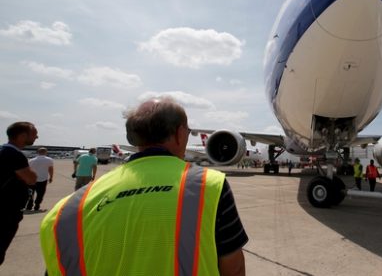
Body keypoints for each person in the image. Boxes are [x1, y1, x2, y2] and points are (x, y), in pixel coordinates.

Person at [40, 97, 248, 275]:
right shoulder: (209, 187)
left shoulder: (62, 212)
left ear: (132, 137)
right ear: (180, 133)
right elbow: (234, 269)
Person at [0, 122, 37, 265]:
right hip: (5, 212)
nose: (37, 137)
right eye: (34, 134)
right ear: (22, 136)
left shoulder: (3, 151)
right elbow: (31, 178)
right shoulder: (14, 155)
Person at [24, 147, 54, 212]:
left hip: (32, 179)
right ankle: (37, 206)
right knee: (40, 194)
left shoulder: (31, 160)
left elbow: (28, 170)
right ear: (46, 152)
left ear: (38, 152)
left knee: (31, 193)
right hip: (43, 179)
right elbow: (50, 169)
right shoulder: (49, 160)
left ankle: (29, 206)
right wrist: (51, 177)